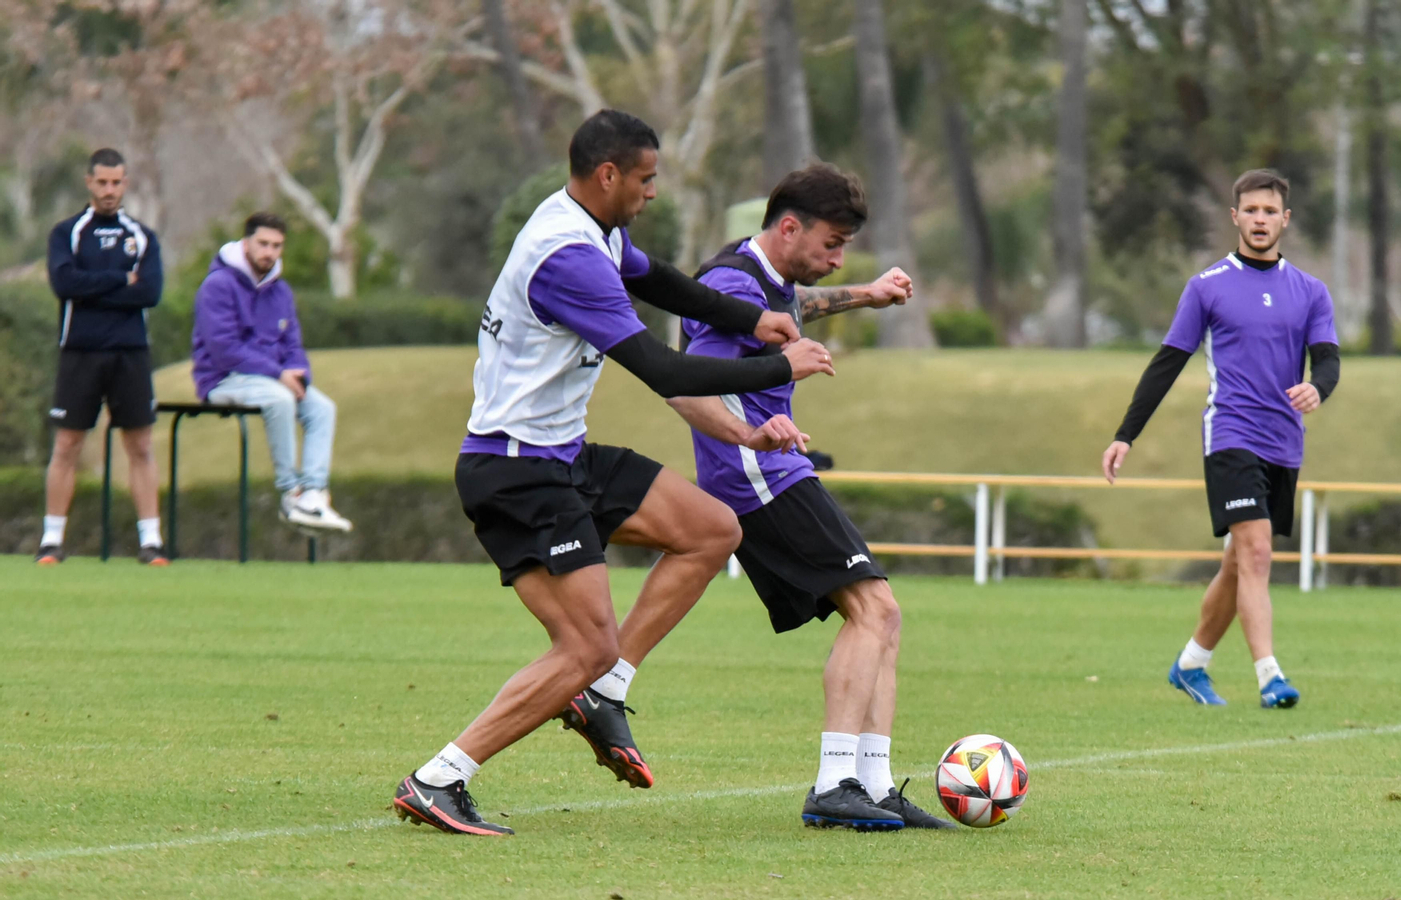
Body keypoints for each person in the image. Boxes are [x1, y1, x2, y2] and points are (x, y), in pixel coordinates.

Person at [391, 109, 834, 837]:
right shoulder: (567, 257)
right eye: (646, 179)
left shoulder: (591, 226)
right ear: (608, 176)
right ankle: (440, 778)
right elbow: (661, 369)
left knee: (712, 529)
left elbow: (660, 280)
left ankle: (603, 691)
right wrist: (778, 366)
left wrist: (749, 320)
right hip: (518, 471)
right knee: (585, 647)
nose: (653, 192)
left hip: (561, 455)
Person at [666, 163, 951, 830]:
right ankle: (834, 784)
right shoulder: (730, 284)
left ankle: (872, 785)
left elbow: (793, 309)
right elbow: (684, 385)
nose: (839, 257)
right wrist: (750, 431)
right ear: (790, 227)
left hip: (777, 471)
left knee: (883, 615)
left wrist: (867, 296)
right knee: (874, 610)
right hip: (755, 475)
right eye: (833, 243)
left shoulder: (767, 279)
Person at [1100, 169, 1340, 710]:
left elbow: (1327, 359)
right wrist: (1125, 435)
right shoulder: (1207, 286)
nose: (1260, 220)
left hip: (1284, 442)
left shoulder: (1310, 291)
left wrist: (1318, 388)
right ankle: (1270, 677)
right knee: (1256, 552)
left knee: (1238, 563)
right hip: (1230, 434)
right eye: (1250, 210)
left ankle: (1191, 664)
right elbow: (1167, 363)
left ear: (1285, 219)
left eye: (1269, 211)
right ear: (1235, 217)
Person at [38, 148, 166, 566]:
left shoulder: (142, 236)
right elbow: (65, 284)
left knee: (140, 444)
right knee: (68, 443)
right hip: (80, 351)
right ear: (89, 182)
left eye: (116, 183)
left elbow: (150, 292)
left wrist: (94, 289)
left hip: (130, 352)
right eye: (102, 182)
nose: (109, 190)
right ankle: (51, 541)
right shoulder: (67, 233)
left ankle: (151, 542)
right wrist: (120, 279)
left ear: (125, 184)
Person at [191, 213, 351, 533]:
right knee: (280, 399)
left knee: (322, 408)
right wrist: (279, 375)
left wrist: (299, 375)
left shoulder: (281, 291)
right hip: (223, 379)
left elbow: (293, 344)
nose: (269, 252)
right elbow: (224, 349)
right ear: (246, 243)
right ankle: (291, 494)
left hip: (271, 378)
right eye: (263, 244)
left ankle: (313, 494)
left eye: (277, 246)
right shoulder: (217, 285)